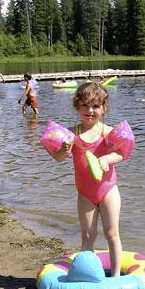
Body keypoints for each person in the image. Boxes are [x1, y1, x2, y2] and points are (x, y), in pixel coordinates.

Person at [51, 82, 131, 278]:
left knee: (112, 233)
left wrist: (107, 158)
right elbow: (59, 158)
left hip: (108, 190)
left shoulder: (107, 133)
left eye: (95, 106)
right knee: (87, 235)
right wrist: (63, 150)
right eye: (85, 105)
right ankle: (87, 274)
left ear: (104, 108)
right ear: (77, 106)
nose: (90, 111)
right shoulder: (72, 134)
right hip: (85, 193)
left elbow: (122, 153)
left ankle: (115, 276)